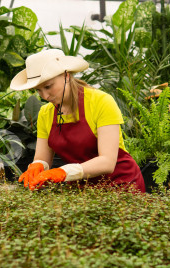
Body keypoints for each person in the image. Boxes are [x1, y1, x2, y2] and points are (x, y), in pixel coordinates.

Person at [9, 48, 146, 193]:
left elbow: (107, 162)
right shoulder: (45, 113)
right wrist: (38, 165)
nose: (45, 96)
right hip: (82, 191)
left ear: (66, 76)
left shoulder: (101, 102)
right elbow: (43, 157)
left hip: (122, 186)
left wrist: (63, 172)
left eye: (48, 86)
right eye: (38, 90)